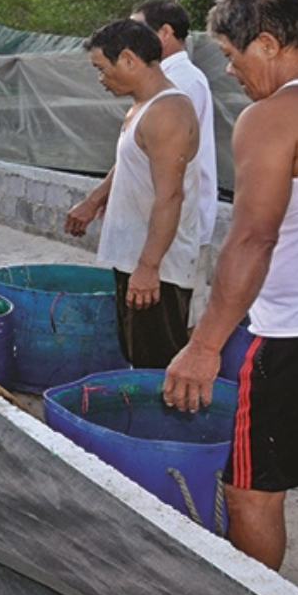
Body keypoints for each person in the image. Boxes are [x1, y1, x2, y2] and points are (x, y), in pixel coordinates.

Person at [163, 0, 298, 585]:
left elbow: (252, 238)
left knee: (252, 487)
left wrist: (205, 344)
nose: (233, 73)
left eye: (234, 57)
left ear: (266, 43)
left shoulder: (275, 117)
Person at [65, 19, 200, 368]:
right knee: (136, 354)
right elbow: (129, 164)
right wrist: (94, 199)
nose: (100, 79)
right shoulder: (142, 106)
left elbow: (170, 196)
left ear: (127, 58)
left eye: (101, 68)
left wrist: (148, 266)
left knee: (157, 361)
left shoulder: (168, 111)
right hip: (136, 256)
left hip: (159, 266)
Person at [132, 0, 219, 330]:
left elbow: (171, 173)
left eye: (140, 31)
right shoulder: (164, 79)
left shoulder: (182, 82)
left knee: (180, 318)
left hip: (183, 220)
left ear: (165, 33)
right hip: (168, 217)